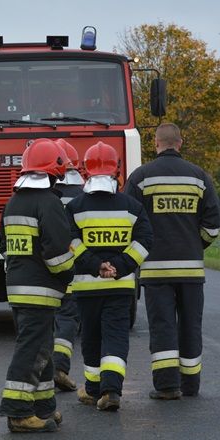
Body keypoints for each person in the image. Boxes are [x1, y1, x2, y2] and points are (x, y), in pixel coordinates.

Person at [123, 123, 220, 399]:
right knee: (191, 324)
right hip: (191, 270)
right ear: (180, 143)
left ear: (156, 144)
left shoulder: (141, 177)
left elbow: (127, 219)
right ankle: (190, 385)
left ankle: (167, 386)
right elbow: (213, 223)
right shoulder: (199, 177)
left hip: (155, 270)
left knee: (163, 324)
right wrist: (196, 244)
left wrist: (141, 250)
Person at [66, 141, 152, 411]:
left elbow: (70, 242)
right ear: (117, 170)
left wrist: (96, 266)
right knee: (115, 336)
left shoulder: (75, 207)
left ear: (85, 171)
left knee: (91, 337)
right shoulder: (131, 206)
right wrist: (120, 266)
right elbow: (144, 241)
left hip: (86, 288)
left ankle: (92, 390)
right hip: (120, 286)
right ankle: (112, 390)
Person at [0, 138, 75, 433]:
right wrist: (71, 274)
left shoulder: (13, 201)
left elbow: (5, 247)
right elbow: (57, 255)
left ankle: (43, 406)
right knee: (31, 351)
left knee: (42, 350)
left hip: (18, 289)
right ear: (54, 170)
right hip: (41, 291)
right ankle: (17, 412)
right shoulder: (50, 203)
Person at [52, 138, 84, 392]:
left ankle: (44, 372)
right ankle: (59, 367)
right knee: (67, 319)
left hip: (43, 273)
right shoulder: (85, 194)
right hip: (75, 271)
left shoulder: (39, 194)